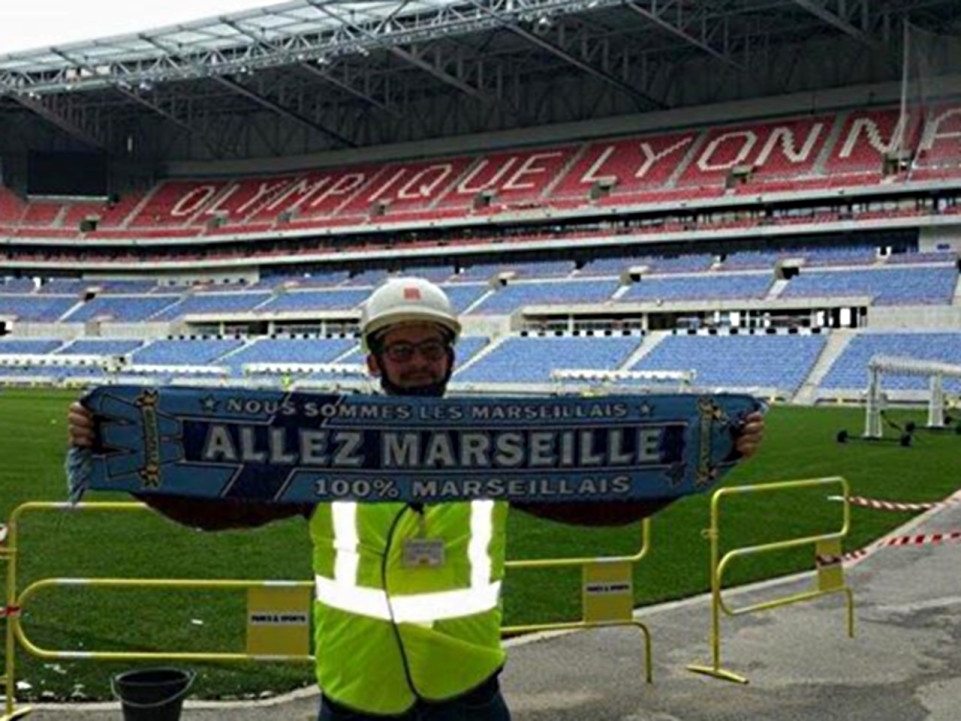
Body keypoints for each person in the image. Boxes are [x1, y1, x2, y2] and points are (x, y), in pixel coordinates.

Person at [69, 276, 764, 721]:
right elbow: (221, 508)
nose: (416, 362)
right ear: (373, 362)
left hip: (469, 693)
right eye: (399, 351)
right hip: (353, 694)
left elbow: (595, 501)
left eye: (429, 348)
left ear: (451, 356)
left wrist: (703, 460)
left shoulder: (496, 444)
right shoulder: (318, 446)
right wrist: (124, 460)